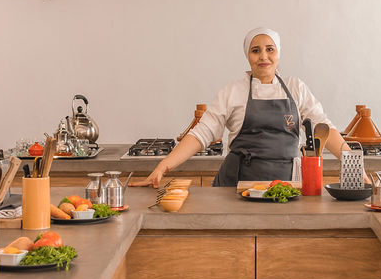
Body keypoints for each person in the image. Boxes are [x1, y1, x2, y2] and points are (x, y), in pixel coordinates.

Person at [132, 27, 348, 188]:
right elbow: (201, 134)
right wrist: (163, 166)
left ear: (278, 53)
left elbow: (324, 129)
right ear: (248, 56)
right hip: (236, 186)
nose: (263, 56)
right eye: (256, 50)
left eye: (269, 49)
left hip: (286, 186)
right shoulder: (233, 92)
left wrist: (353, 165)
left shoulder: (296, 88)